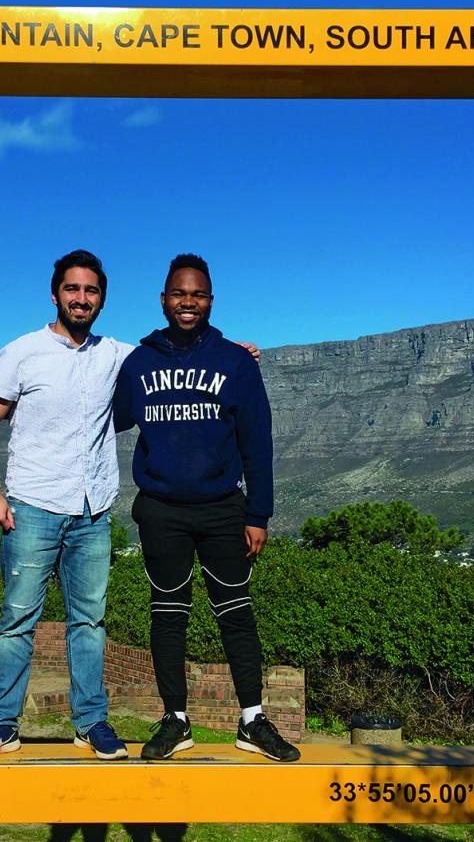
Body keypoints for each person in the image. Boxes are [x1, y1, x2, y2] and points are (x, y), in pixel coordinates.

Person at [113, 254, 301, 763]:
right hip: (161, 511)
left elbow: (256, 442)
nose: (187, 302)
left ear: (210, 301)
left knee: (237, 615)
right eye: (179, 294)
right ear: (163, 299)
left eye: (197, 295)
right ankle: (175, 720)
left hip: (223, 510)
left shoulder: (236, 362)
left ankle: (252, 720)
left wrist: (258, 514)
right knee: (167, 615)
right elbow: (111, 414)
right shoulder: (140, 362)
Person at [0, 249, 132, 764]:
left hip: (93, 509)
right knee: (16, 620)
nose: (82, 298)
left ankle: (91, 722)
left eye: (92, 290)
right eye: (73, 289)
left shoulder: (114, 354)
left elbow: (172, 353)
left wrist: (231, 351)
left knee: (90, 622)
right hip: (33, 505)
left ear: (101, 298)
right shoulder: (21, 352)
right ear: (55, 293)